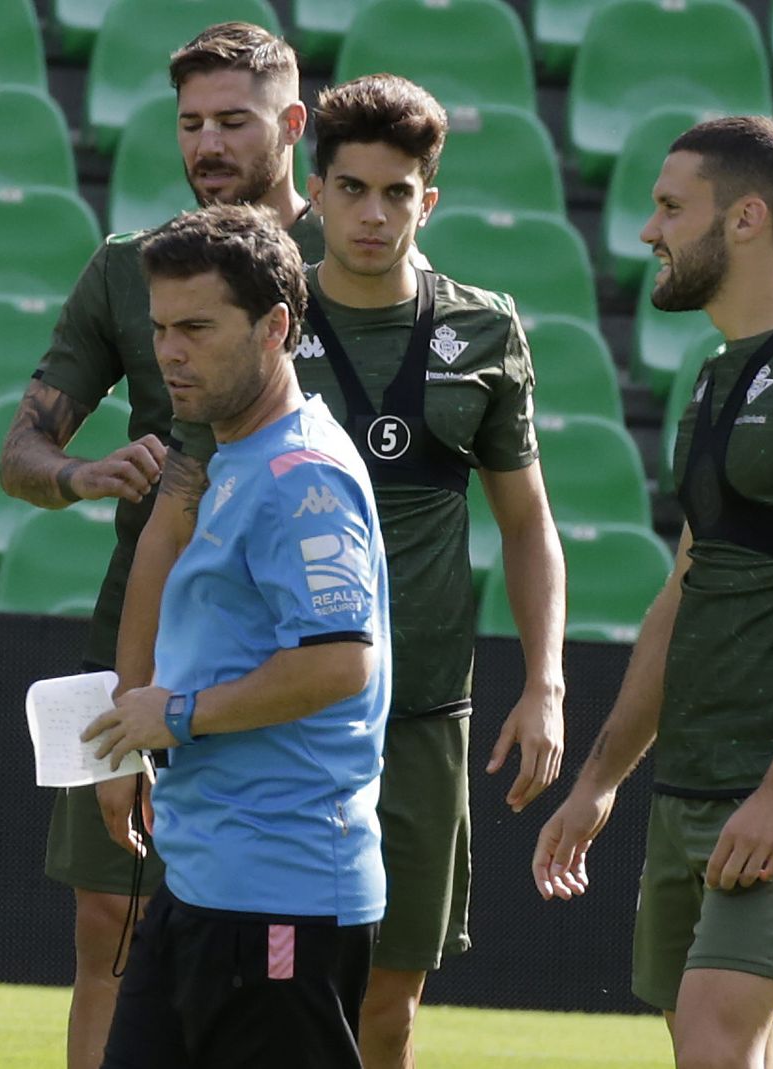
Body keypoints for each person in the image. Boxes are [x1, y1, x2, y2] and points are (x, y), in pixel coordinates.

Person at [125, 74, 568, 1069]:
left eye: (398, 192)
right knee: (235, 983)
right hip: (268, 722)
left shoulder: (484, 331)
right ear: (312, 191)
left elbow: (527, 520)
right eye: (353, 188)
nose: (374, 214)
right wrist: (131, 702)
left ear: (428, 200)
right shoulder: (254, 327)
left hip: (420, 713)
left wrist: (544, 681)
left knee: (387, 995)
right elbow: (167, 525)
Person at [533, 116, 773, 1069]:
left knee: (713, 1031)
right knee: (715, 1040)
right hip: (692, 779)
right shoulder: (712, 378)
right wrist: (599, 781)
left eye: (671, 208)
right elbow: (684, 592)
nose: (647, 232)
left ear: (745, 219)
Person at [0, 23, 318, 1067]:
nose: (209, 144)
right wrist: (82, 474)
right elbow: (20, 452)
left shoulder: (349, 269)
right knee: (108, 924)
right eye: (191, 124)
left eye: (235, 121)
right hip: (136, 624)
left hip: (287, 646)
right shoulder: (126, 269)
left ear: (292, 126)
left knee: (286, 941)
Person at [83, 203, 390, 1069]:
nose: (170, 351)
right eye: (159, 329)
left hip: (282, 896)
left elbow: (340, 664)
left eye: (196, 328)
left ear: (275, 329)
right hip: (206, 880)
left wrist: (172, 713)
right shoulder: (236, 459)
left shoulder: (304, 477)